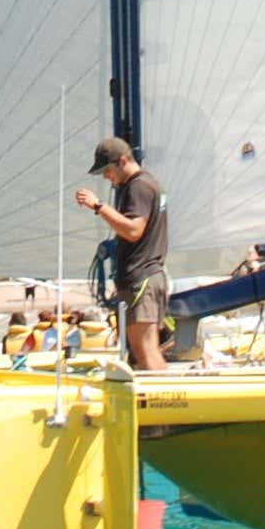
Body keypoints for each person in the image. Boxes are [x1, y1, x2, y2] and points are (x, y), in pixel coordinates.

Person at [73, 136, 170, 371]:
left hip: (142, 278)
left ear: (123, 161)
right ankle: (161, 400)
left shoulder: (138, 186)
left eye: (107, 170)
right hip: (149, 276)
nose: (106, 177)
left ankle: (162, 403)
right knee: (147, 352)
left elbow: (134, 230)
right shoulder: (149, 183)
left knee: (145, 352)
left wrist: (98, 206)